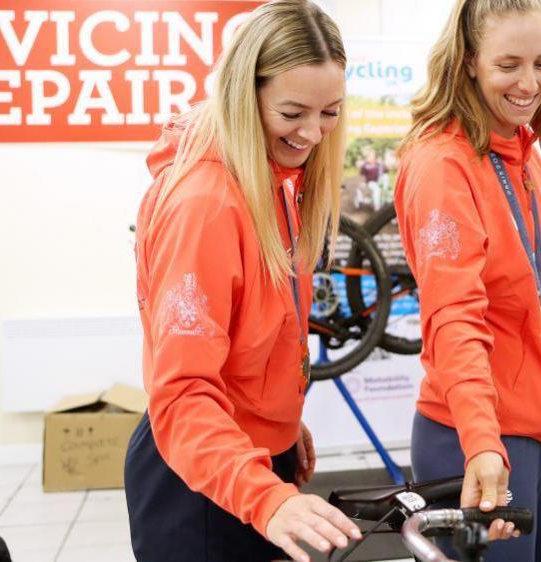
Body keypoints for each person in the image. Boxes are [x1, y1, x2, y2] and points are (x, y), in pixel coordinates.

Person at [124, 2, 362, 561]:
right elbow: (182, 391)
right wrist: (263, 493)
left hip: (249, 457)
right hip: (203, 480)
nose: (312, 133)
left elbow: (256, 330)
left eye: (330, 112)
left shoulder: (278, 179)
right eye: (293, 112)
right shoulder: (205, 203)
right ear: (243, 95)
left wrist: (278, 417)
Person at [394, 0, 541, 560]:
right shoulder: (442, 165)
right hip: (477, 439)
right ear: (469, 61)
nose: (530, 83)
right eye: (509, 65)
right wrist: (482, 441)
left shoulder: (527, 154)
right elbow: (454, 317)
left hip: (536, 433)